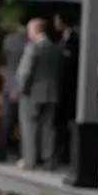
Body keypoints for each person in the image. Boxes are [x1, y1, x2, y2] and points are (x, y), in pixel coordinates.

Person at [15, 17, 63, 170]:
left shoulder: (33, 47)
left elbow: (25, 71)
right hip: (52, 91)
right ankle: (48, 159)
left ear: (35, 30)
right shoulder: (55, 48)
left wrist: (20, 89)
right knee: (48, 126)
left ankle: (30, 159)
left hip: (32, 92)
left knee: (28, 125)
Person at [0, 20, 29, 159]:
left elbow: (4, 62)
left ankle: (2, 149)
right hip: (26, 87)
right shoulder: (29, 42)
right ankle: (22, 151)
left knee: (7, 119)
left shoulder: (9, 41)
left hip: (9, 83)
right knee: (23, 122)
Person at [55, 13, 80, 164]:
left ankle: (66, 153)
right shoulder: (62, 39)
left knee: (66, 120)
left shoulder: (73, 40)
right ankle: (62, 152)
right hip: (62, 87)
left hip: (69, 88)